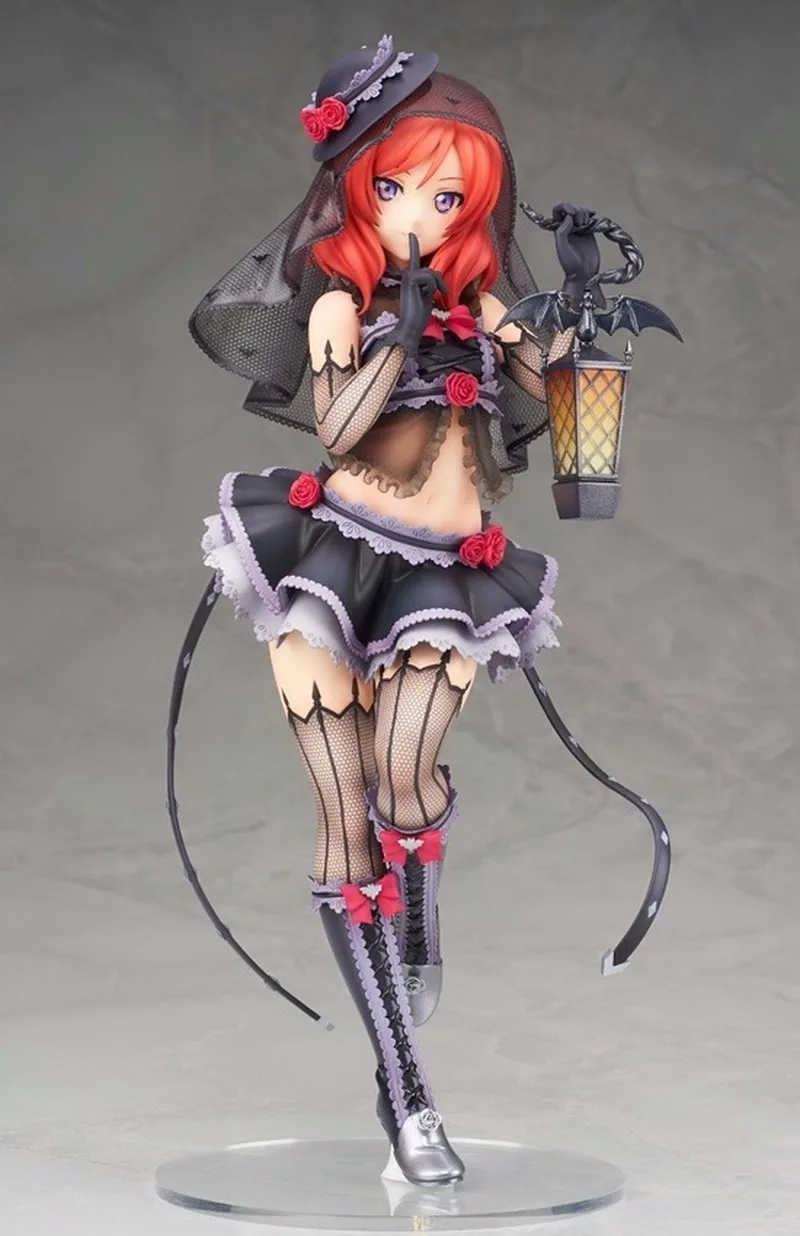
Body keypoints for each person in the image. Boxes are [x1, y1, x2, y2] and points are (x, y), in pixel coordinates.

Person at [174, 35, 663, 1188]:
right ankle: (405, 1094)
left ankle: (419, 894)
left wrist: (566, 312)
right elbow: (338, 428)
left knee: (403, 778)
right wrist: (388, 338)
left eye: (448, 197)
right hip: (329, 560)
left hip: (443, 568)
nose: (419, 214)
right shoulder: (339, 305)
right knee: (341, 813)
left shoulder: (483, 300)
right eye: (396, 188)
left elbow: (555, 384)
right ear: (354, 188)